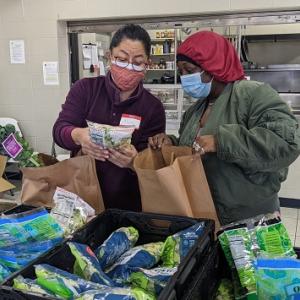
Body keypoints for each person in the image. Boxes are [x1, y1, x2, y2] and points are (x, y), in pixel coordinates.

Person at [149, 31, 300, 225]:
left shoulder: (251, 94)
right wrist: (171, 143)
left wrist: (222, 141)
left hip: (251, 220)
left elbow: (286, 142)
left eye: (189, 70)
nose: (184, 78)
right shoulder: (195, 109)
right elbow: (194, 147)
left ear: (213, 66)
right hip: (205, 214)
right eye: (182, 72)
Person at [53, 24, 165, 212]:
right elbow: (59, 130)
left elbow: (154, 163)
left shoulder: (152, 107)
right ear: (110, 57)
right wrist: (80, 136)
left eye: (137, 62)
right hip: (81, 199)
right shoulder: (85, 89)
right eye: (121, 59)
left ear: (148, 64)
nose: (129, 67)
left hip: (128, 204)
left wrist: (135, 162)